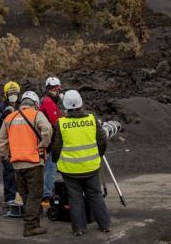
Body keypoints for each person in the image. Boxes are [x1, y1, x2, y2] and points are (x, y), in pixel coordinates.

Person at [51, 90, 111, 236]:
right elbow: (102, 140)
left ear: (65, 106)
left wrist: (55, 160)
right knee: (95, 195)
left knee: (75, 198)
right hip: (91, 166)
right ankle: (105, 225)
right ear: (80, 103)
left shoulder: (61, 123)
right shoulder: (91, 119)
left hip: (70, 170)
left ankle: (79, 228)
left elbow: (56, 147)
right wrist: (98, 156)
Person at [0, 91, 52, 237]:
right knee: (35, 195)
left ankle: (34, 220)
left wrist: (5, 155)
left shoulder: (10, 117)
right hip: (33, 163)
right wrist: (43, 144)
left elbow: (1, 140)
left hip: (16, 164)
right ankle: (30, 226)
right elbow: (47, 129)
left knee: (25, 194)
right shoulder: (37, 115)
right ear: (35, 103)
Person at [0, 81, 20, 205]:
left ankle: (20, 195)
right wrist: (4, 114)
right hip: (7, 143)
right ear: (6, 94)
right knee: (8, 170)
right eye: (11, 93)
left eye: (15, 93)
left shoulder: (21, 106)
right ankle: (9, 197)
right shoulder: (1, 107)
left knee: (20, 169)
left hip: (20, 142)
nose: (13, 96)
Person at [39, 76, 64, 205]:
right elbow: (56, 122)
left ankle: (47, 191)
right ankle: (47, 193)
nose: (58, 92)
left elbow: (60, 116)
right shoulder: (48, 101)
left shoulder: (49, 101)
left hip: (48, 138)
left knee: (51, 166)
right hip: (49, 140)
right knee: (51, 167)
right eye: (56, 89)